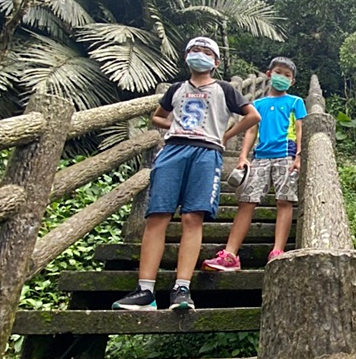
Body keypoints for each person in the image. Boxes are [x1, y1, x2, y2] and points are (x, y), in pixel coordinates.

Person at [112, 37, 260, 311]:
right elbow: (157, 116)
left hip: (207, 153)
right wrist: (174, 125)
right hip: (173, 149)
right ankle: (145, 291)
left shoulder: (225, 89)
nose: (199, 55)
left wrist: (225, 135)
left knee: (193, 217)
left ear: (215, 63)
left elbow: (252, 116)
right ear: (185, 57)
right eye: (194, 50)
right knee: (157, 215)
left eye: (206, 52)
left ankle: (182, 288)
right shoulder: (176, 89)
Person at [202, 56, 306, 271]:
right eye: (279, 72)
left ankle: (277, 251)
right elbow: (250, 131)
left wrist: (299, 156)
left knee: (284, 201)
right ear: (269, 74)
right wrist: (242, 156)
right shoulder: (257, 104)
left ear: (293, 81)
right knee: (246, 201)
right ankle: (230, 254)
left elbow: (299, 129)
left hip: (286, 153)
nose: (282, 78)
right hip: (260, 156)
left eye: (287, 75)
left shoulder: (296, 102)